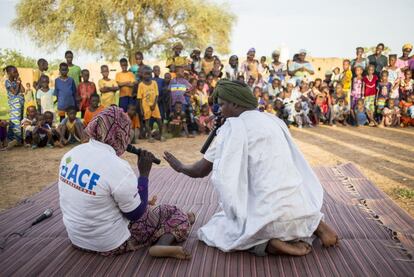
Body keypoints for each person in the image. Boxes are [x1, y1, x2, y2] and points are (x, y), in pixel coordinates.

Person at [164, 80, 338, 257]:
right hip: (301, 209)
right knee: (284, 191)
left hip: (266, 218)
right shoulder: (274, 120)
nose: (220, 110)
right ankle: (317, 226)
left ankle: (267, 244)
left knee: (217, 228)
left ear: (235, 103)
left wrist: (180, 167)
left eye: (222, 105)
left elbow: (200, 170)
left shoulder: (231, 129)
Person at [58, 106, 193, 258]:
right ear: (120, 134)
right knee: (173, 212)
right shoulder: (117, 166)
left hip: (77, 239)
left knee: (141, 205)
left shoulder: (71, 154)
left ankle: (173, 223)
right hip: (109, 243)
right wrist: (144, 174)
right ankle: (162, 244)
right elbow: (136, 214)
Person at [138, 66, 164, 142]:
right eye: (145, 74)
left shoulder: (154, 83)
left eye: (149, 74)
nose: (147, 76)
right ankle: (149, 137)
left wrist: (154, 104)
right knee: (147, 121)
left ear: (151, 75)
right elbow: (139, 98)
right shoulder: (141, 85)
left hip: (154, 105)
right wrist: (141, 110)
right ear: (142, 75)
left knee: (159, 120)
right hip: (145, 106)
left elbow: (156, 95)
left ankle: (160, 135)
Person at [5, 65, 25, 147]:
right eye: (15, 72)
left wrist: (20, 82)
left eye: (17, 71)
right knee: (15, 122)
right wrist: (17, 83)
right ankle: (17, 140)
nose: (17, 73)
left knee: (18, 121)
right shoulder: (7, 82)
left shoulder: (16, 81)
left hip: (20, 104)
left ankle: (10, 139)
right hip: (14, 105)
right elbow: (15, 92)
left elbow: (23, 90)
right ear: (9, 73)